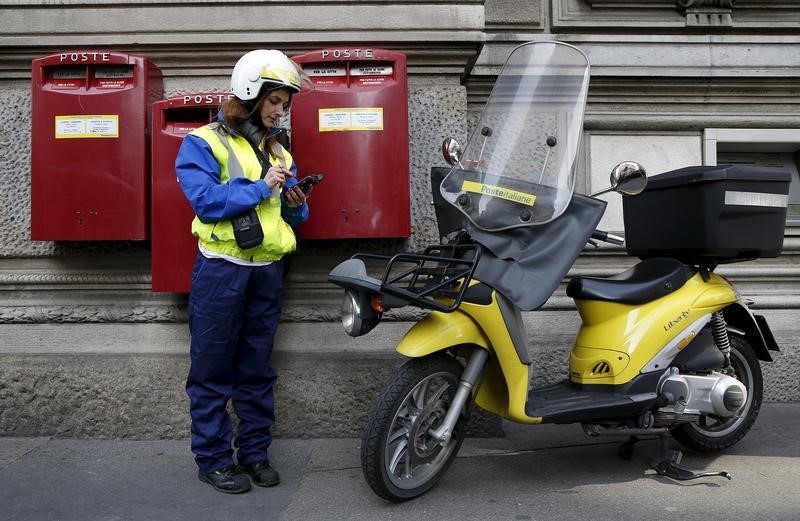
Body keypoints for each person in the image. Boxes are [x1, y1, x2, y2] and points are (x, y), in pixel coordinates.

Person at [175, 49, 312, 494]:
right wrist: (261, 187)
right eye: (274, 101)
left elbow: (291, 219)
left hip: (267, 271)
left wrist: (297, 205)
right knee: (213, 370)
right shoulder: (202, 141)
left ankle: (254, 453)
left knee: (257, 369)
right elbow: (206, 202)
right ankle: (213, 459)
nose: (279, 111)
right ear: (250, 95)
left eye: (285, 104)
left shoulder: (279, 149)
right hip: (221, 272)